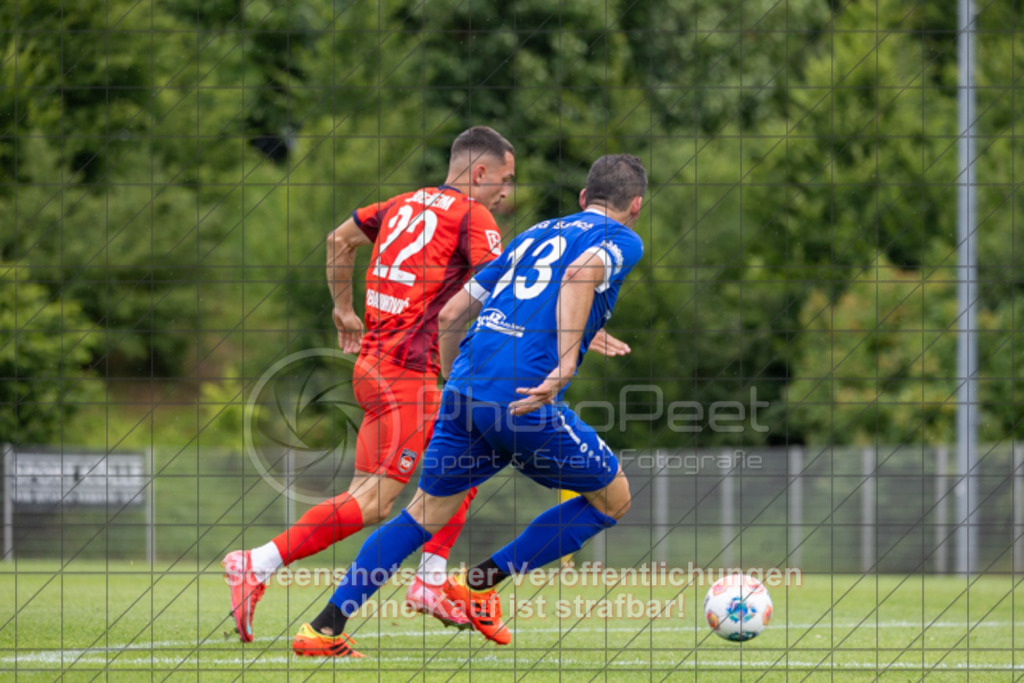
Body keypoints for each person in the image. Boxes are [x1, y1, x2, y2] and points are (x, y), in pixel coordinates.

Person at [290, 153, 647, 657]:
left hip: (464, 391)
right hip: (523, 401)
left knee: (420, 514)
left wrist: (460, 382)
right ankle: (478, 582)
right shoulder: (622, 240)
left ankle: (323, 628)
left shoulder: (534, 234)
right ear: (635, 205)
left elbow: (454, 312)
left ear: (584, 197)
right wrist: (566, 364)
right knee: (613, 498)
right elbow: (581, 274)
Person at [222, 126, 517, 642]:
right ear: (480, 172)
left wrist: (342, 309)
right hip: (410, 374)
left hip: (372, 367)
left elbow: (340, 239)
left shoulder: (398, 205)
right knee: (382, 501)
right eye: (505, 180)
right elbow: (497, 290)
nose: (506, 192)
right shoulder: (474, 216)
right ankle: (258, 562)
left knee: (454, 460)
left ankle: (415, 585)